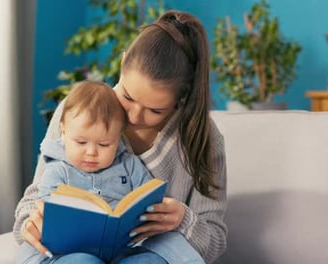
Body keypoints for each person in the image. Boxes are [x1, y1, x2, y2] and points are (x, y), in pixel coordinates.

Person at [14, 10, 227, 263]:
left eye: (155, 110)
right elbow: (34, 197)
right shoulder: (79, 110)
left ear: (182, 97)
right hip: (71, 252)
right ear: (123, 64)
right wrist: (31, 221)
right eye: (127, 96)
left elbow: (215, 240)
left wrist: (183, 219)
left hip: (146, 253)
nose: (135, 116)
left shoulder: (204, 139)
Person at [17, 80, 204, 264]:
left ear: (118, 139)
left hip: (122, 250)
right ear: (64, 133)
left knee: (151, 259)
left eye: (104, 144)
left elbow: (147, 196)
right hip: (67, 253)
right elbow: (45, 211)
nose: (91, 152)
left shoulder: (129, 165)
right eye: (81, 142)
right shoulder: (58, 169)